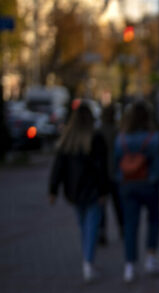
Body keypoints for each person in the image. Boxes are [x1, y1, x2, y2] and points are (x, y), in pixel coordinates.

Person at [48, 104, 110, 283]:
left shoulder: (68, 139)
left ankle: (87, 260)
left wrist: (53, 190)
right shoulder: (95, 138)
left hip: (74, 191)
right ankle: (88, 263)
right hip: (92, 190)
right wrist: (104, 190)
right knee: (90, 227)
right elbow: (102, 168)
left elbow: (58, 168)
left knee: (84, 226)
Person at [114, 101, 159, 283]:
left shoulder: (121, 138)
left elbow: (116, 164)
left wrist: (119, 182)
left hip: (128, 186)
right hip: (149, 184)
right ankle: (151, 258)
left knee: (130, 225)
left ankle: (130, 265)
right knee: (154, 220)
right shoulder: (154, 137)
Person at [97, 104, 124, 245]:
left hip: (102, 173)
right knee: (118, 204)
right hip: (115, 172)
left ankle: (102, 231)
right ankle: (122, 229)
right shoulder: (117, 131)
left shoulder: (99, 131)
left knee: (102, 204)